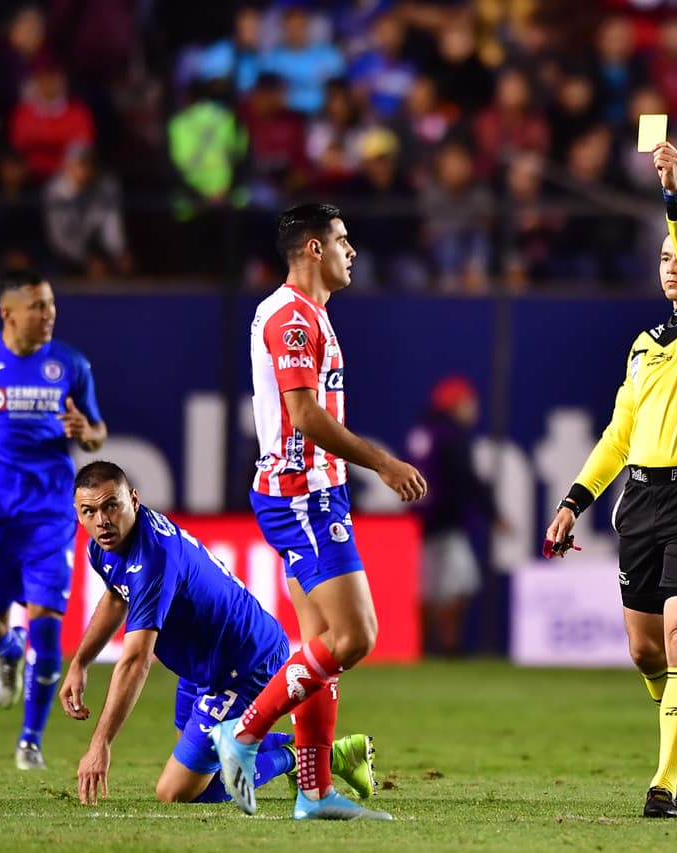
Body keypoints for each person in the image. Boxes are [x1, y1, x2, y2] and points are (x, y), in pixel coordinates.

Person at [543, 141, 677, 819]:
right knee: (645, 649)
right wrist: (576, 500)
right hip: (642, 497)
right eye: (663, 259)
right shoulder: (644, 345)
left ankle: (665, 782)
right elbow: (618, 434)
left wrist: (674, 195)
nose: (672, 265)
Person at [213, 202, 425, 821]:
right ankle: (245, 732)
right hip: (301, 494)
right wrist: (382, 463)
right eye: (342, 239)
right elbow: (304, 415)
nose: (351, 250)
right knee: (356, 636)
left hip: (314, 492)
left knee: (320, 646)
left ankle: (313, 791)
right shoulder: (293, 319)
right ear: (312, 249)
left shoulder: (311, 315)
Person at [60, 461, 378, 806]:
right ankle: (324, 752)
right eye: (89, 511)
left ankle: (305, 757)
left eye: (112, 505)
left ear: (134, 500)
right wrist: (80, 663)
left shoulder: (153, 558)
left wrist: (100, 744)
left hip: (242, 662)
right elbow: (116, 595)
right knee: (206, 786)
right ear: (78, 514)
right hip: (202, 664)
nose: (102, 520)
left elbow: (136, 660)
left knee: (175, 792)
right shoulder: (104, 545)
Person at [0, 269, 107, 771]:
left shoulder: (71, 364)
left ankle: (30, 740)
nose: (48, 314)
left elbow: (96, 429)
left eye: (51, 304)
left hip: (50, 511)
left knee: (47, 625)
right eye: (37, 306)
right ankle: (6, 651)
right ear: (7, 312)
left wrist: (87, 433)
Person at [406, 375, 500, 656]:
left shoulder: (422, 432)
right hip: (444, 523)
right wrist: (492, 513)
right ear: (456, 404)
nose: (473, 410)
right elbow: (465, 478)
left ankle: (423, 646)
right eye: (469, 403)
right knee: (459, 583)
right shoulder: (452, 435)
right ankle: (448, 644)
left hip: (420, 522)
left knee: (428, 588)